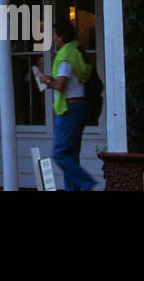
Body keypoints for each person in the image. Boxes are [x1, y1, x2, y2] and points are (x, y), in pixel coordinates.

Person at [37, 19, 97, 191]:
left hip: (69, 109)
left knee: (60, 153)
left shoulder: (65, 55)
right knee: (71, 154)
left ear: (61, 36)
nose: (53, 39)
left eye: (54, 36)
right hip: (79, 107)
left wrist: (46, 80)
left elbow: (60, 85)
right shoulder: (76, 51)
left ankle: (86, 182)